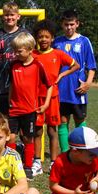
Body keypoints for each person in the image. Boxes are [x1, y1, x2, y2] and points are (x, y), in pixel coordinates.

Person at [32, 19, 79, 172]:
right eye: (40, 36)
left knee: (52, 131)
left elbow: (75, 65)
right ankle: (37, 162)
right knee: (37, 131)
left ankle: (53, 162)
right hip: (36, 98)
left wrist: (62, 75)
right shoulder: (32, 55)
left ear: (52, 38)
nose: (43, 39)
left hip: (52, 98)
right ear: (36, 38)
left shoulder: (58, 54)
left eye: (46, 36)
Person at [8, 32, 52, 179]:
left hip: (29, 111)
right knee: (11, 138)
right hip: (14, 110)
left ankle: (28, 167)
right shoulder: (13, 65)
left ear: (29, 49)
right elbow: (12, 86)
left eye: (19, 51)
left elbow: (50, 85)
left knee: (28, 139)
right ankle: (12, 166)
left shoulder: (38, 65)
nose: (16, 54)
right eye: (15, 50)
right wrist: (9, 101)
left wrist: (45, 104)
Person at [53, 10, 97, 152]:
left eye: (72, 24)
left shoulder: (84, 41)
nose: (69, 27)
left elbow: (91, 66)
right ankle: (66, 154)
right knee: (62, 122)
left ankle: (82, 151)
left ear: (77, 24)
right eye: (66, 24)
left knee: (80, 122)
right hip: (61, 90)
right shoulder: (57, 42)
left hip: (78, 89)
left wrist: (88, 83)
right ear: (62, 24)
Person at [0, 2, 29, 116]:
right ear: (2, 16)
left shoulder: (24, 33)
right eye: (6, 15)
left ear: (18, 16)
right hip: (1, 82)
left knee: (21, 116)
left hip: (20, 82)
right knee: (0, 117)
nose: (9, 17)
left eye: (12, 15)